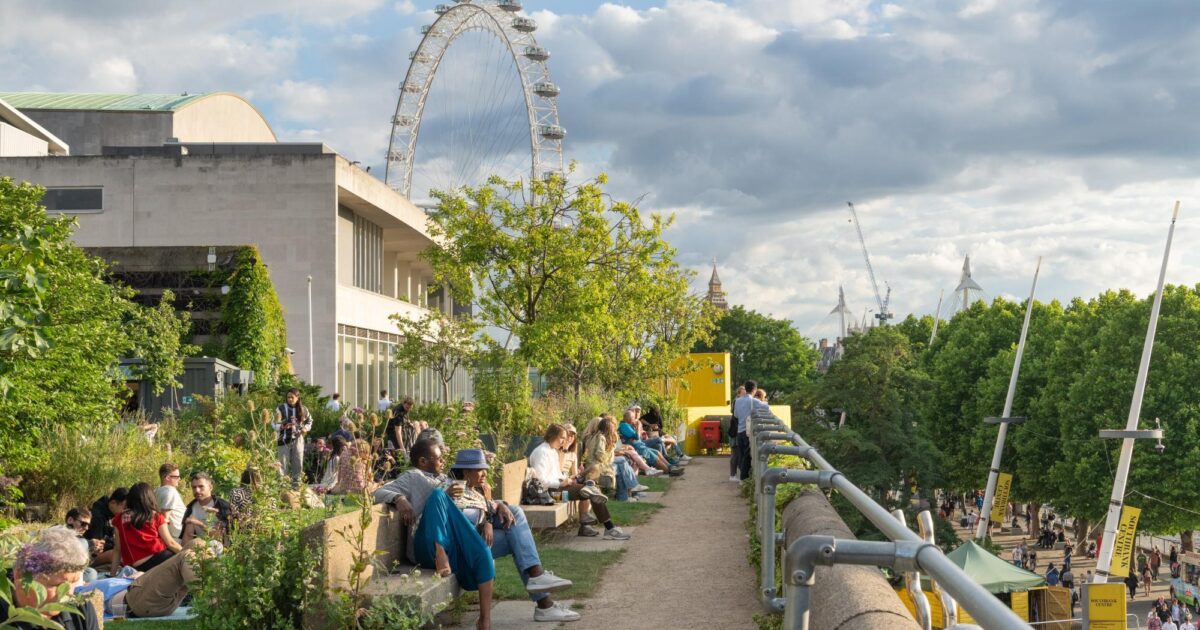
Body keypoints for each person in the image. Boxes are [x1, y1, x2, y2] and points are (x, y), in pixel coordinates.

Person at [374, 440, 539, 629]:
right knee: (438, 496)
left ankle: (486, 620)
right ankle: (440, 551)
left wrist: (490, 517)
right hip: (426, 545)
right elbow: (379, 492)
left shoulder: (448, 479)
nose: (443, 461)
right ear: (422, 461)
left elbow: (478, 503)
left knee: (484, 545)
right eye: (439, 458)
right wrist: (400, 499)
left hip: (454, 543)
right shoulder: (414, 476)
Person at [449, 449, 581, 623]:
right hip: (464, 548)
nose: (485, 474)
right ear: (466, 472)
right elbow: (466, 520)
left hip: (479, 543)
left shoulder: (474, 489)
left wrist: (497, 504)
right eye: (480, 469)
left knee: (516, 526)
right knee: (517, 529)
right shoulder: (453, 490)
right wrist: (488, 519)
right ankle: (542, 595)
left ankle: (541, 592)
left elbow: (483, 509)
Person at [530, 424, 630, 540]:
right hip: (548, 494)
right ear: (553, 436)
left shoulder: (552, 451)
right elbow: (541, 481)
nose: (564, 441)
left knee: (590, 489)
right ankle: (607, 528)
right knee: (590, 491)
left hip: (558, 488)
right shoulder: (541, 452)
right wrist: (561, 483)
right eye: (562, 437)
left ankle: (598, 524)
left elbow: (556, 474)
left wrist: (567, 479)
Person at [2, 526, 100, 629]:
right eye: (58, 585)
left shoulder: (82, 610)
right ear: (20, 575)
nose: (69, 594)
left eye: (74, 582)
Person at [113, 482, 181, 574]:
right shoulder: (156, 516)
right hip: (159, 558)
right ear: (150, 498)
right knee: (185, 557)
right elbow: (170, 543)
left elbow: (117, 549)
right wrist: (186, 553)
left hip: (135, 566)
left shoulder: (119, 519)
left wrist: (112, 574)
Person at [273, 388, 313, 483]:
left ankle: (297, 485)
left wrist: (305, 428)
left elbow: (310, 421)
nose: (290, 399)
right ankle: (282, 486)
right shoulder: (281, 408)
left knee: (298, 462)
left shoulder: (303, 409)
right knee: (282, 465)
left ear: (298, 398)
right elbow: (274, 423)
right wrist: (282, 426)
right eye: (288, 397)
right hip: (283, 439)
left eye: (292, 397)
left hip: (298, 439)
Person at [181, 472, 230, 546]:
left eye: (201, 486)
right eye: (194, 487)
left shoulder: (221, 506)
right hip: (198, 548)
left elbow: (220, 537)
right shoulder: (191, 508)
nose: (197, 490)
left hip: (219, 549)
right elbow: (186, 539)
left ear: (210, 487)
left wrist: (199, 523)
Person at [83, 488, 127, 568]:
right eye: (124, 508)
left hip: (103, 549)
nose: (125, 511)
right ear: (113, 503)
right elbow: (98, 546)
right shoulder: (97, 517)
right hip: (88, 554)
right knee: (115, 554)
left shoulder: (112, 514)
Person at [732, 380, 766, 481]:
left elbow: (736, 415)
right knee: (747, 457)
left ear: (745, 388)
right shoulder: (753, 401)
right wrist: (763, 399)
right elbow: (767, 408)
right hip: (748, 432)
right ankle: (744, 478)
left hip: (739, 431)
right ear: (754, 389)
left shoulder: (737, 400)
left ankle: (742, 477)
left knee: (742, 455)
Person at [153, 463, 186, 541]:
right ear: (168, 477)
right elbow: (165, 518)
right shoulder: (170, 491)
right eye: (177, 477)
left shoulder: (156, 491)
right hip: (176, 537)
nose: (179, 479)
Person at [729, 385, 746, 481]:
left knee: (738, 453)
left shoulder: (737, 401)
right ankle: (733, 475)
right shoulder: (737, 402)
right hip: (735, 431)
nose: (745, 395)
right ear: (739, 393)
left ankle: (734, 474)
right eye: (743, 393)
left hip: (736, 430)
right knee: (735, 453)